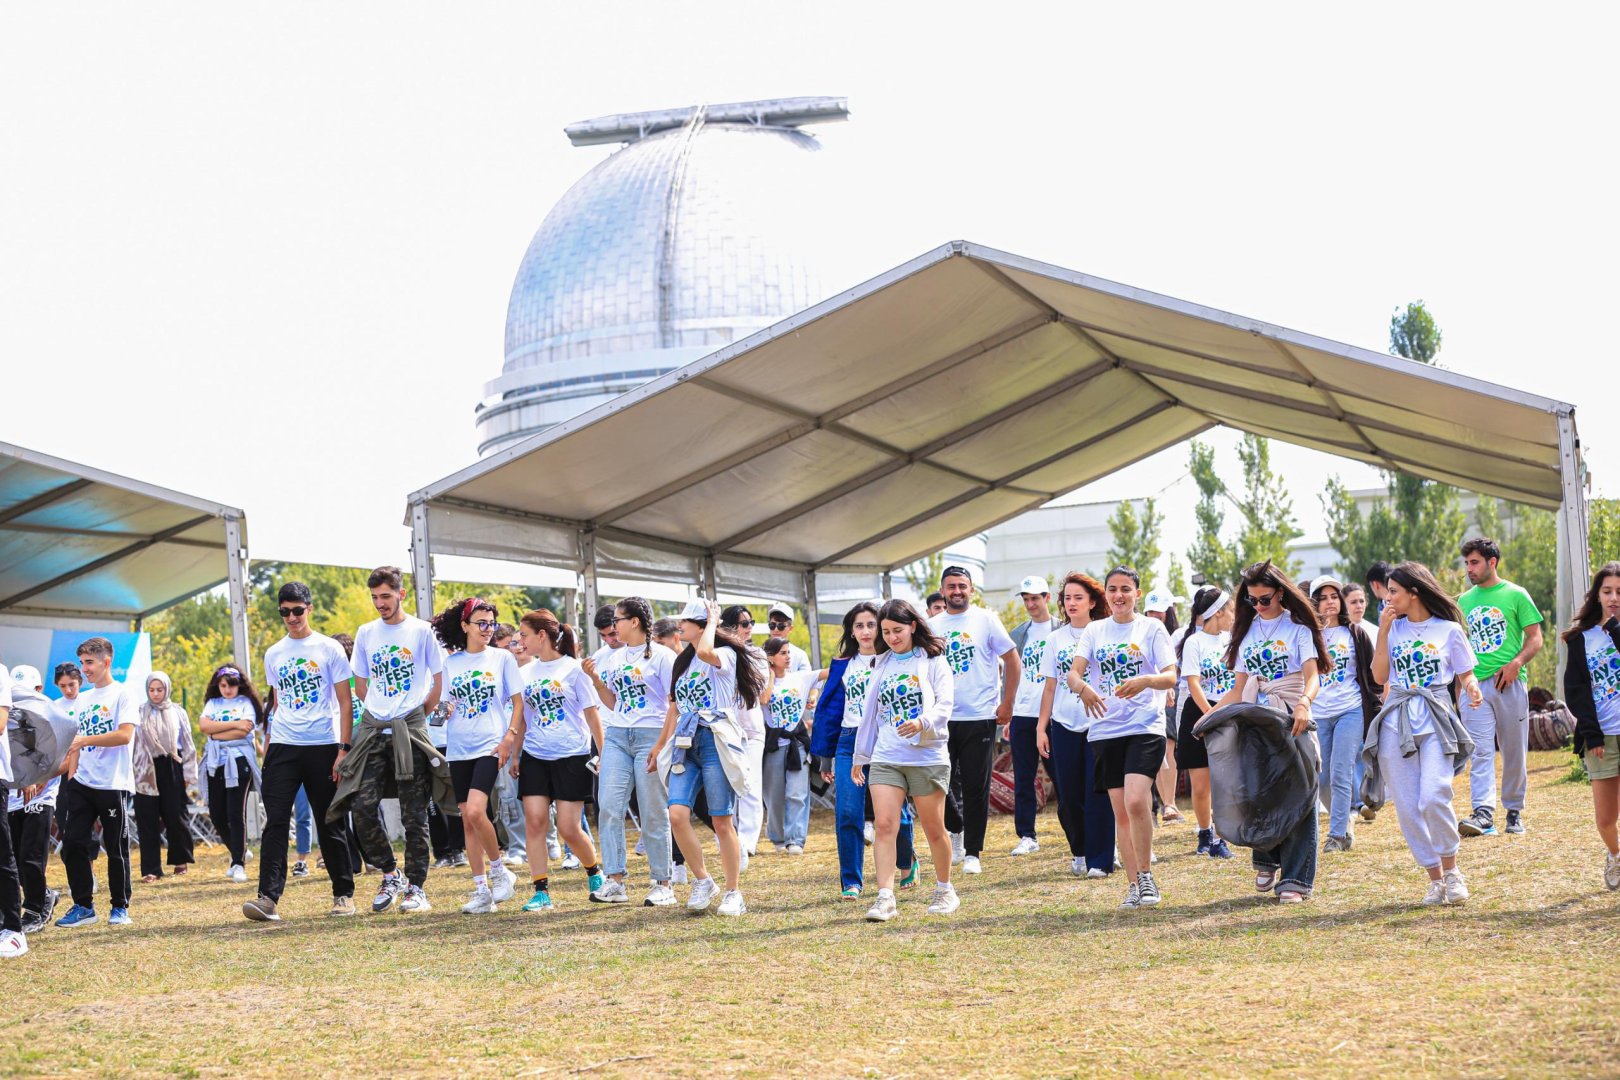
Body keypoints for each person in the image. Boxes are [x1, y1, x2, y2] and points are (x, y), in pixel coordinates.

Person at [329, 565, 452, 915]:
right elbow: (361, 683)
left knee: (415, 814)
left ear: (401, 594)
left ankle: (416, 888)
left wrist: (415, 715)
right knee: (361, 806)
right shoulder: (366, 632)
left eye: (385, 596)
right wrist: (380, 710)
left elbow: (437, 681)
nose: (380, 603)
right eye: (375, 597)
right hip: (374, 727)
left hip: (410, 728)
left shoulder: (422, 631)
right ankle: (390, 873)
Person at [1364, 561, 1482, 905]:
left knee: (1433, 795)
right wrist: (1384, 631)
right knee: (1407, 805)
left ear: (1414, 593)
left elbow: (1465, 674)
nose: (1388, 598)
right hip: (1397, 718)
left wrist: (1472, 689)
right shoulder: (1392, 628)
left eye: (1394, 592)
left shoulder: (1448, 630)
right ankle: (1435, 879)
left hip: (1435, 716)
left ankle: (1453, 870)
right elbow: (1380, 677)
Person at [1211, 561, 1330, 904]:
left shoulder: (1297, 629)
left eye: (1264, 599)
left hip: (1291, 714)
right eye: (1252, 600)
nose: (1258, 606)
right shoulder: (1245, 632)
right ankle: (1266, 858)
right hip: (1255, 718)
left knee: (1302, 792)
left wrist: (1305, 704)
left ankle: (1296, 877)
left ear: (1280, 593)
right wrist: (1209, 718)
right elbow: (1236, 690)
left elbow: (1313, 676)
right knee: (1258, 791)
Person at [243, 582, 360, 921]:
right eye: (284, 611)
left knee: (330, 820)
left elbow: (344, 701)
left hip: (322, 744)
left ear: (309, 609)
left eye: (297, 610)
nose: (291, 617)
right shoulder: (274, 653)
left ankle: (343, 894)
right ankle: (267, 899)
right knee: (276, 821)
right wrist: (268, 745)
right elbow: (277, 701)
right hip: (282, 745)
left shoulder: (329, 649)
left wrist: (343, 748)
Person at [1066, 568, 1176, 909]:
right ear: (1106, 596)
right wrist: (1083, 689)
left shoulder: (1152, 628)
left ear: (1137, 594)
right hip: (1105, 729)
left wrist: (1145, 681)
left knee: (1135, 800)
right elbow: (1072, 673)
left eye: (1126, 589)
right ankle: (1133, 884)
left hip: (1145, 726)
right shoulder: (1095, 630)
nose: (1119, 595)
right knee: (1121, 812)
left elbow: (1171, 676)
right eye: (1113, 589)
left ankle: (1146, 876)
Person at [650, 599, 765, 916]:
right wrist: (661, 744)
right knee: (676, 814)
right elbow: (675, 706)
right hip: (686, 741)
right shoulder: (683, 662)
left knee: (721, 819)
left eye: (687, 620)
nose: (680, 625)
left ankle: (733, 891)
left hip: (716, 740)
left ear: (702, 625)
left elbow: (705, 652)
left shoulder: (723, 654)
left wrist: (714, 620)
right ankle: (703, 879)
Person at [853, 598, 958, 921]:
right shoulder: (880, 664)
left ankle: (945, 889)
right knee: (884, 825)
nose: (891, 637)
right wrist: (861, 755)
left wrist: (923, 721)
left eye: (897, 630)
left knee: (933, 828)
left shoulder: (933, 661)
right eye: (885, 632)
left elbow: (946, 704)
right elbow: (870, 714)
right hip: (887, 756)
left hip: (927, 755)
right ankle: (885, 896)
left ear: (913, 626)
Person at [812, 601, 916, 899]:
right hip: (848, 741)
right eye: (859, 625)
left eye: (872, 624)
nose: (866, 631)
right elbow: (828, 712)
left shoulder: (893, 660)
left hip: (886, 740)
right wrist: (824, 756)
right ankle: (851, 881)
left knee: (895, 812)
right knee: (848, 811)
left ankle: (907, 862)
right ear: (852, 631)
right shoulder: (842, 664)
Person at [431, 598, 524, 915]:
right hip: (458, 749)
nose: (487, 629)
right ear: (465, 626)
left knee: (474, 811)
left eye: (491, 623)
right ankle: (482, 891)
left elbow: (518, 703)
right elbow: (442, 709)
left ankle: (500, 871)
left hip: (489, 745)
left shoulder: (502, 659)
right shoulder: (451, 662)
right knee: (468, 821)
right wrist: (441, 712)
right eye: (481, 623)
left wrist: (508, 739)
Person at [583, 596, 676, 907]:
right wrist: (596, 682)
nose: (614, 627)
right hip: (618, 737)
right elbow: (613, 703)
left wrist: (662, 744)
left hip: (651, 736)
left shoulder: (663, 656)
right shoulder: (612, 658)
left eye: (618, 620)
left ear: (634, 622)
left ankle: (663, 883)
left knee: (653, 811)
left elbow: (674, 705)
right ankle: (614, 880)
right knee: (608, 805)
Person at [512, 609, 606, 911]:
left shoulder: (575, 669)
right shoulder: (524, 673)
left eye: (524, 635)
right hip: (535, 756)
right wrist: (515, 755)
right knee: (536, 821)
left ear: (542, 636)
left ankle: (594, 871)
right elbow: (523, 720)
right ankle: (541, 891)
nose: (520, 641)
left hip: (572, 756)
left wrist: (603, 755)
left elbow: (592, 715)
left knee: (568, 828)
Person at [930, 566, 1020, 875]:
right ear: (942, 590)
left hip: (979, 716)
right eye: (951, 586)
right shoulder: (930, 626)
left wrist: (1007, 702)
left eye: (962, 586)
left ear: (971, 590)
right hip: (941, 717)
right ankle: (955, 828)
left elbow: (1012, 660)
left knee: (975, 786)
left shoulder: (986, 620)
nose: (957, 591)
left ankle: (972, 853)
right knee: (936, 781)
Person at [1456, 537, 1545, 837]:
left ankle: (1514, 811)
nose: (1469, 568)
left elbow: (1535, 638)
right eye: (1467, 563)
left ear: (1492, 562)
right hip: (1475, 687)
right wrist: (1462, 686)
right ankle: (1483, 814)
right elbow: (1459, 647)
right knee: (1480, 751)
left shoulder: (1516, 594)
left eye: (1475, 562)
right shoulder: (1463, 601)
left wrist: (1517, 663)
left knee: (1513, 750)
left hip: (1509, 683)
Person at [1035, 572, 1118, 877]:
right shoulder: (1054, 639)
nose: (1071, 603)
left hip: (1099, 723)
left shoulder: (1103, 633)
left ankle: (1101, 859)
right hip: (1063, 724)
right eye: (1067, 598)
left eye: (1078, 597)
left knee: (1098, 793)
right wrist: (1041, 728)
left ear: (1093, 601)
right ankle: (1080, 851)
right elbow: (1050, 687)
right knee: (1068, 797)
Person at [56, 637, 141, 928]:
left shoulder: (123, 694)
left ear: (106, 662)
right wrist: (72, 780)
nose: (84, 669)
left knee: (115, 847)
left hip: (112, 783)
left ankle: (120, 907)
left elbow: (124, 735)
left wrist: (85, 740)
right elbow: (74, 746)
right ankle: (83, 905)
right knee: (72, 844)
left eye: (89, 662)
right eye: (82, 663)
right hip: (82, 783)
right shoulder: (83, 699)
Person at [1310, 577, 1381, 853]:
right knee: (1323, 778)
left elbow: (1371, 676)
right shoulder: (1310, 635)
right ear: (1315, 602)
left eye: (1333, 596)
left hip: (1349, 711)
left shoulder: (1355, 633)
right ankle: (1345, 817)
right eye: (1323, 597)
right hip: (1319, 714)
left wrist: (1376, 708)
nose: (1330, 602)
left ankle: (1337, 834)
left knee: (1341, 772)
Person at [1564, 561, 1620, 890]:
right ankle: (1615, 855)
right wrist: (1591, 733)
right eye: (1607, 591)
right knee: (1605, 819)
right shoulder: (1581, 640)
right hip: (1602, 737)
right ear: (1597, 595)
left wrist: (1615, 629)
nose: (1614, 598)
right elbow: (1576, 692)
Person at [1173, 586, 1236, 859]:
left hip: (1227, 712)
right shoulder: (1193, 642)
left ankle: (1221, 839)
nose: (1234, 615)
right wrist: (1208, 714)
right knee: (1201, 784)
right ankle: (1204, 833)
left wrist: (1221, 712)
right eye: (1230, 610)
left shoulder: (1232, 640)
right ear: (1218, 612)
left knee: (1225, 782)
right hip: (1199, 713)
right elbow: (1193, 683)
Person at [7, 666, 66, 937]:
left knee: (31, 856)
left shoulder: (50, 715)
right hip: (12, 796)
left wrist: (38, 777)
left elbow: (62, 755)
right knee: (16, 859)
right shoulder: (10, 714)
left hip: (41, 795)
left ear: (39, 690)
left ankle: (34, 909)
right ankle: (46, 895)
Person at [199, 663, 265, 884]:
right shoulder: (212, 703)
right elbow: (203, 726)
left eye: (232, 685)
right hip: (215, 761)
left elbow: (246, 728)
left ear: (240, 686)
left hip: (239, 761)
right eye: (224, 685)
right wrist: (232, 728)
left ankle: (238, 863)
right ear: (218, 685)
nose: (228, 689)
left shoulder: (245, 702)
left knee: (236, 813)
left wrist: (217, 733)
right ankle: (239, 850)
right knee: (217, 813)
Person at [1006, 576, 1057, 856]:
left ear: (1047, 598)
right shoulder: (1017, 634)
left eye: (1035, 598)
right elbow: (1010, 675)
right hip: (1023, 713)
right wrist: (1009, 708)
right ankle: (1027, 834)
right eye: (1026, 598)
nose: (1030, 604)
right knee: (1023, 777)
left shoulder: (1062, 629)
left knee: (1062, 775)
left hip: (1054, 714)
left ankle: (1076, 828)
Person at [131, 672, 196, 883]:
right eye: (152, 690)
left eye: (160, 689)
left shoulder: (177, 711)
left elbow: (187, 743)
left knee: (176, 814)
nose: (156, 694)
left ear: (167, 689)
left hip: (171, 764)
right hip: (145, 768)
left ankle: (180, 860)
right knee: (147, 817)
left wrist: (188, 773)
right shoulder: (139, 712)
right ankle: (151, 868)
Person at [721, 604, 771, 863]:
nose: (749, 627)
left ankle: (747, 842)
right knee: (727, 786)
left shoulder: (757, 655)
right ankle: (730, 838)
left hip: (751, 730)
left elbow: (758, 692)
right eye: (743, 623)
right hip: (724, 729)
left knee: (750, 786)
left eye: (750, 622)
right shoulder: (717, 654)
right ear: (728, 627)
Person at [760, 637, 815, 854]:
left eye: (788, 652)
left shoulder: (800, 677)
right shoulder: (762, 681)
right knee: (774, 796)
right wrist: (771, 675)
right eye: (782, 653)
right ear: (771, 657)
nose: (788, 657)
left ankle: (796, 839)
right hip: (773, 744)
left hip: (797, 743)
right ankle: (778, 837)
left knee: (797, 792)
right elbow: (764, 699)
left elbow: (827, 672)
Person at [1144, 590, 1186, 824]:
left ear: (1170, 612)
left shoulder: (1179, 636)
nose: (1155, 615)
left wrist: (1169, 687)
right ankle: (1154, 805)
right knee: (1152, 751)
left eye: (1160, 611)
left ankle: (1168, 804)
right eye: (1150, 610)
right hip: (1145, 697)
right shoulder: (1140, 633)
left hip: (1171, 695)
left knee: (1167, 747)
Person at [489, 624, 528, 870]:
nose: (512, 651)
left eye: (512, 645)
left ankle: (549, 841)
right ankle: (517, 846)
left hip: (531, 739)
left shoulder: (532, 669)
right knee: (507, 796)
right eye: (505, 647)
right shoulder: (495, 668)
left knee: (537, 796)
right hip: (503, 739)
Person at [766, 605, 812, 671]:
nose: (776, 629)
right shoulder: (760, 654)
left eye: (781, 626)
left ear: (790, 628)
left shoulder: (800, 655)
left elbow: (807, 679)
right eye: (772, 625)